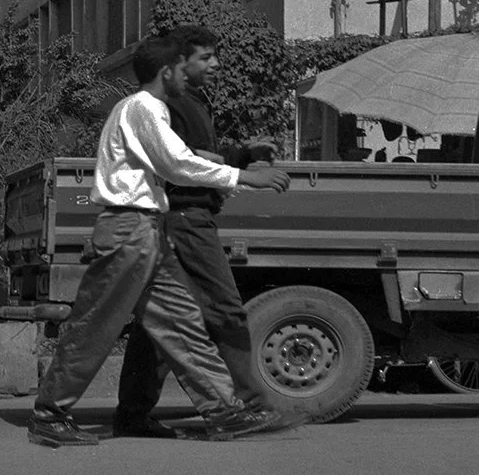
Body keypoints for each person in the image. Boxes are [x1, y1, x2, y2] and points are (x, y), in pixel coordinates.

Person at [26, 34, 296, 448]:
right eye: (184, 68)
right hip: (127, 231)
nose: (189, 76)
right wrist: (244, 176)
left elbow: (178, 158)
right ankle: (50, 413)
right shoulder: (144, 108)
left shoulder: (146, 110)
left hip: (147, 229)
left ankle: (224, 411)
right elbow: (176, 163)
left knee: (181, 321)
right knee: (96, 323)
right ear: (166, 71)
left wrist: (228, 162)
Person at [115, 23, 280, 437]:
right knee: (223, 309)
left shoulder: (185, 103)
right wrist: (243, 173)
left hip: (185, 219)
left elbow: (197, 154)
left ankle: (133, 414)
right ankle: (246, 405)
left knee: (162, 320)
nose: (216, 65)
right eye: (205, 57)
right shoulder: (161, 106)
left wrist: (240, 153)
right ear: (177, 63)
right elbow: (182, 161)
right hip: (184, 219)